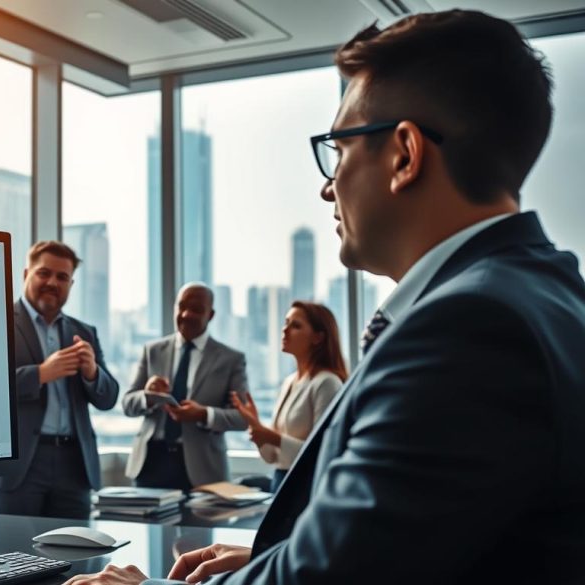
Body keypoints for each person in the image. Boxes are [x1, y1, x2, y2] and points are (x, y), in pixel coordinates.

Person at [62, 9, 585, 584]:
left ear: (405, 155)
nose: (326, 185)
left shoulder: (469, 327)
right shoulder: (546, 292)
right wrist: (277, 558)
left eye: (337, 150)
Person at [0, 241, 118, 519]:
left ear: (71, 284)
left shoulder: (84, 332)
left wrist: (92, 372)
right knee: (11, 553)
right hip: (20, 465)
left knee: (78, 558)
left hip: (75, 464)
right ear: (26, 275)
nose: (52, 282)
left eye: (62, 277)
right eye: (44, 273)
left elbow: (109, 398)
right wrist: (41, 373)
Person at [122, 283, 248, 491]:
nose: (186, 314)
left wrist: (203, 415)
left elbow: (243, 418)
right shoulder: (152, 350)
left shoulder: (231, 359)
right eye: (181, 306)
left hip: (203, 470)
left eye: (197, 309)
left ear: (211, 315)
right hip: (150, 462)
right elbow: (127, 404)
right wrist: (148, 396)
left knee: (199, 525)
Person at [231, 301, 347, 493]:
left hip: (308, 487)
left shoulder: (327, 383)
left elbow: (322, 452)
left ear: (318, 337)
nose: (285, 330)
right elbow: (272, 458)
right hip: (281, 483)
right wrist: (256, 425)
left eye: (296, 325)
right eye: (286, 323)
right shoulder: (289, 382)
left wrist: (272, 437)